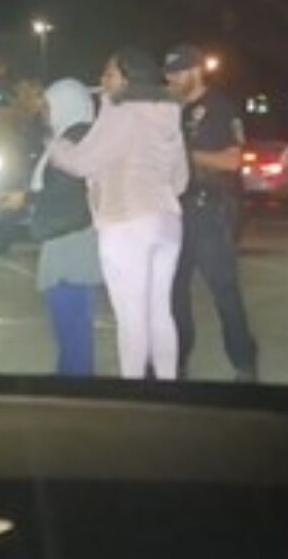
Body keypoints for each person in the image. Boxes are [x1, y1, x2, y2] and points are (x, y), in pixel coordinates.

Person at [48, 48, 189, 380]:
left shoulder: (120, 112)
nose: (102, 80)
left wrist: (55, 147)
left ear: (127, 79)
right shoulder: (169, 115)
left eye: (109, 73)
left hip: (126, 220)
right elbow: (180, 180)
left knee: (130, 316)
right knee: (160, 311)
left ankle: (133, 392)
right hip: (167, 221)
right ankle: (168, 385)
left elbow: (82, 162)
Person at [163, 44, 259, 382]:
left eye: (178, 73)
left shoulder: (219, 108)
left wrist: (186, 155)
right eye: (169, 74)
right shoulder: (172, 109)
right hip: (176, 209)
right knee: (174, 291)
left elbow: (232, 161)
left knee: (224, 290)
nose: (171, 80)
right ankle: (177, 362)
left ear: (196, 71)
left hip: (210, 210)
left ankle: (244, 362)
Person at [1, 79, 103, 376]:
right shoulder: (68, 136)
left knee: (73, 319)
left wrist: (26, 199)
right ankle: (70, 378)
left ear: (66, 105)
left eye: (49, 107)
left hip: (72, 237)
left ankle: (76, 383)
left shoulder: (78, 139)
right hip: (66, 234)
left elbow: (69, 190)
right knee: (67, 320)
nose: (45, 113)